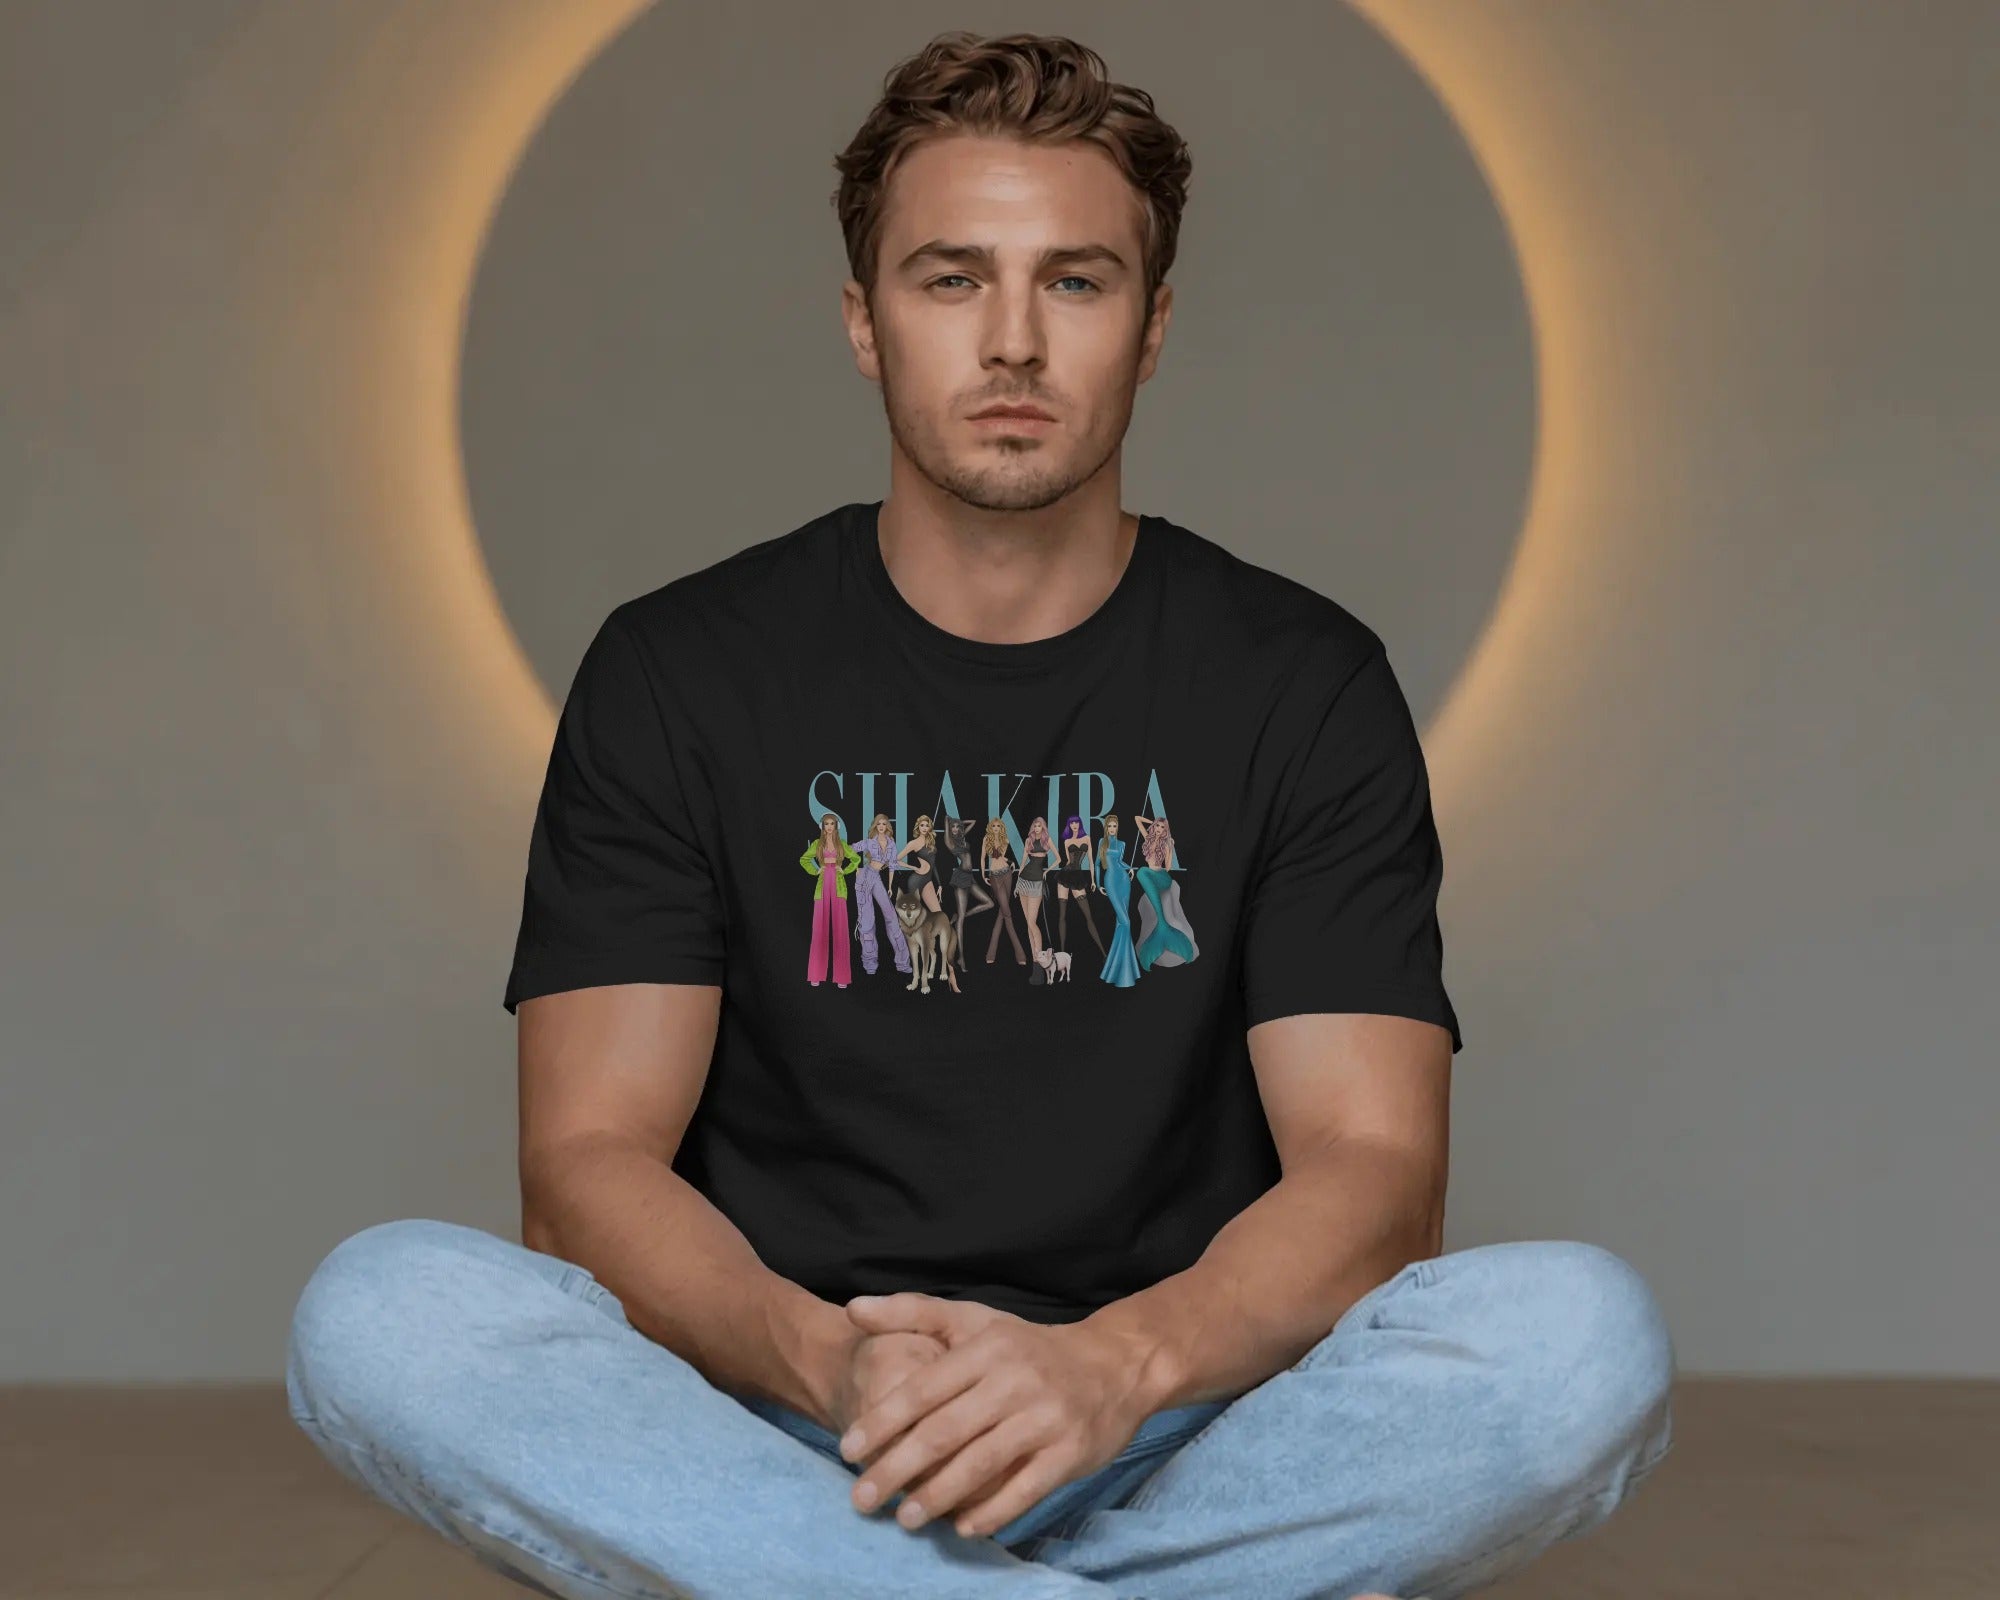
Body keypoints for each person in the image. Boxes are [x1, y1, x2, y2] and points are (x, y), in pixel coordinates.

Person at [286, 29, 1674, 1600]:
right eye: (952, 279)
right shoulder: (678, 672)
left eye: (1075, 282)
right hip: (795, 1431)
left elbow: (1373, 1170)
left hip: (1185, 1423)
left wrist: (1112, 1370)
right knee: (381, 1311)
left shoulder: (1300, 680)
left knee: (1577, 1340)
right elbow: (586, 1163)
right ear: (865, 324)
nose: (1012, 342)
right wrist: (829, 1369)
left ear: (1151, 329)